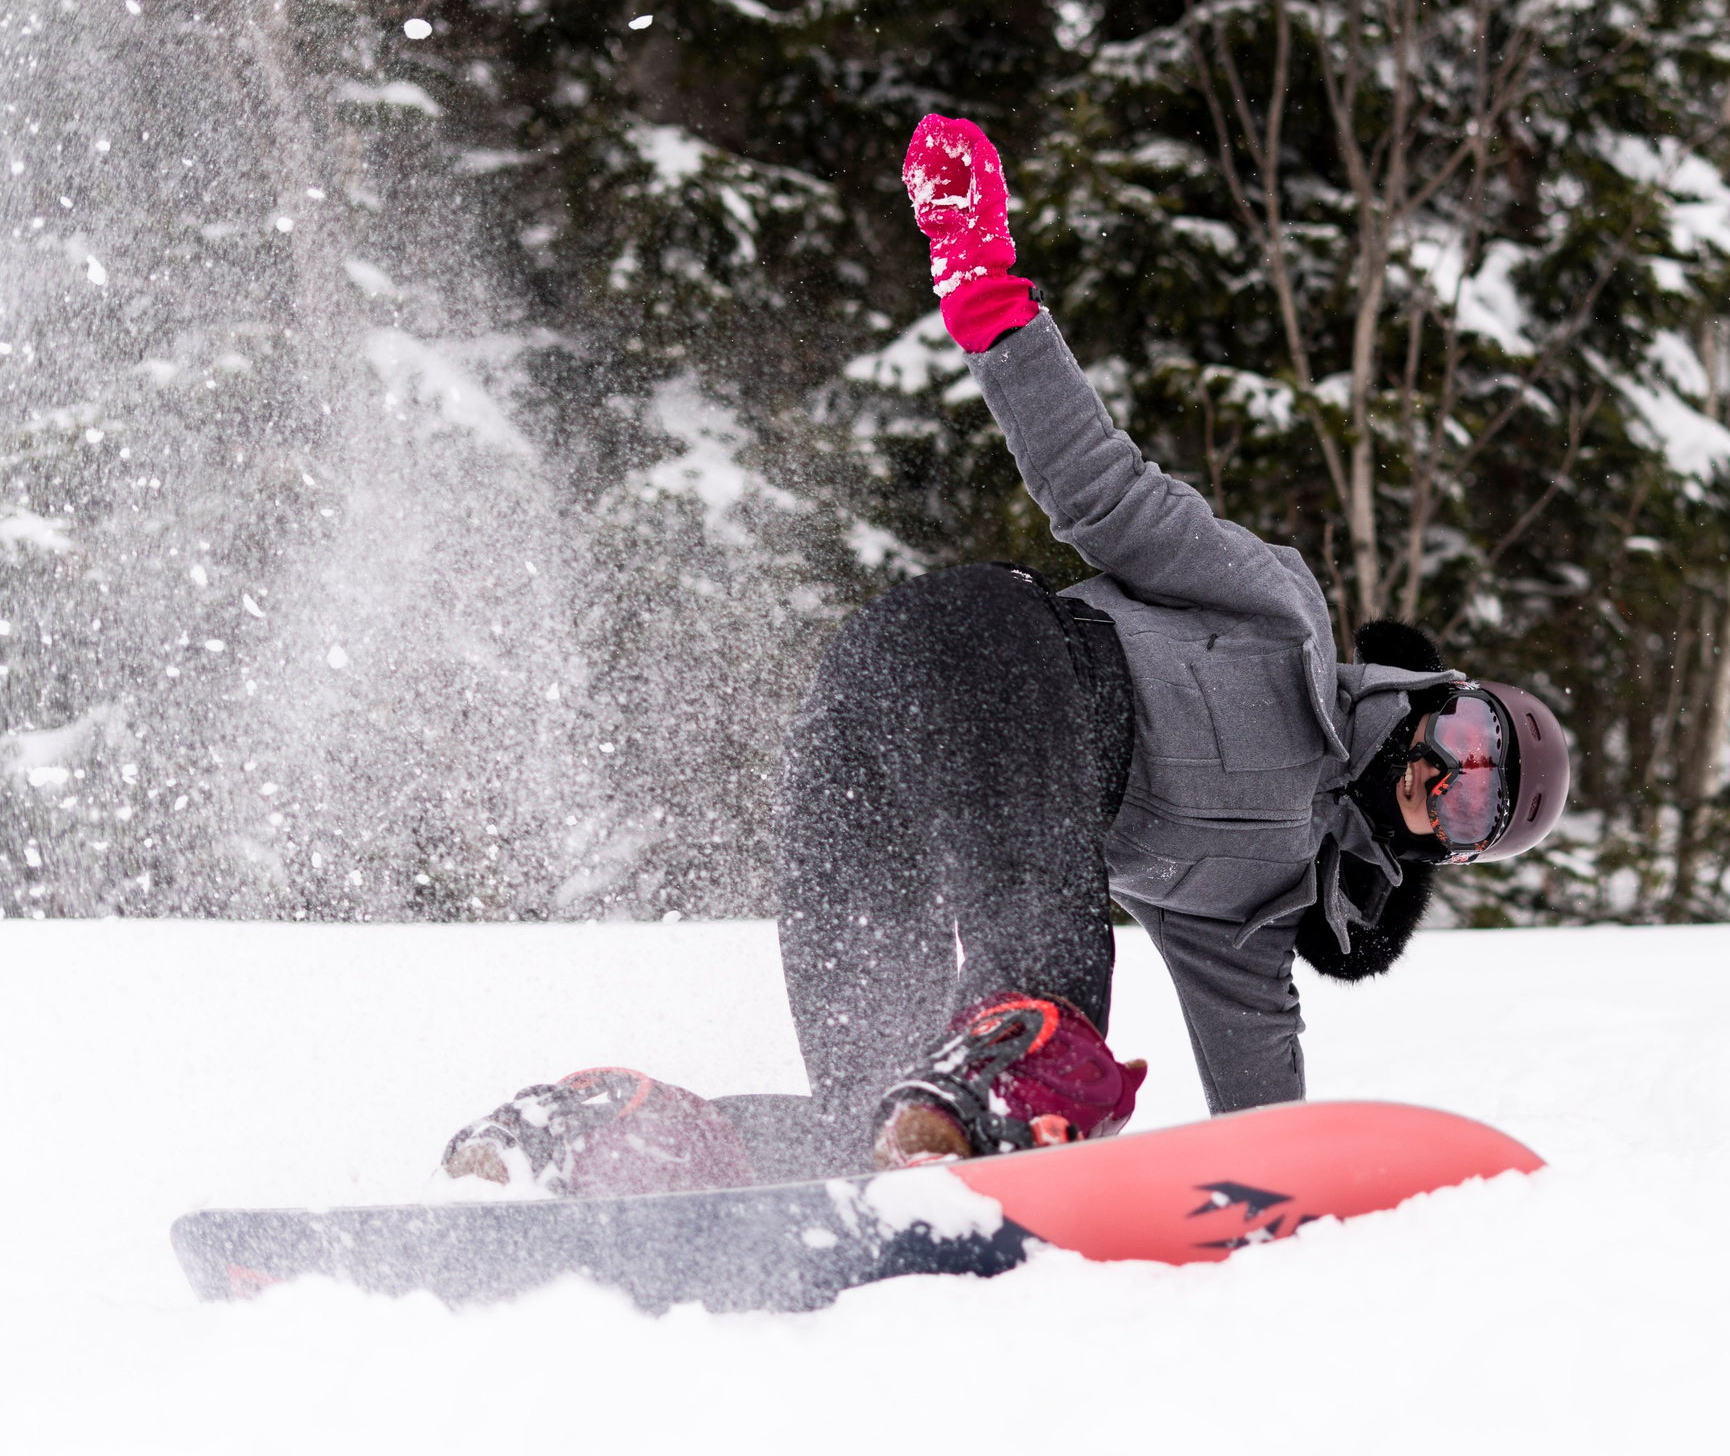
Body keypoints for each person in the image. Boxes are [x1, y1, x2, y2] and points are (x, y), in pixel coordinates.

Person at [438, 116, 1571, 1193]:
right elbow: (1101, 488)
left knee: (878, 1119)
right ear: (1435, 697)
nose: (1447, 778)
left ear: (1446, 856)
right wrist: (985, 286)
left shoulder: (1251, 924)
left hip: (883, 767)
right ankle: (1007, 1059)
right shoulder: (1281, 619)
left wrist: (1294, 1199)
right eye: (1469, 742)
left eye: (1474, 809)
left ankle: (608, 1140)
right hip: (984, 654)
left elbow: (1263, 1122)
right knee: (1038, 1029)